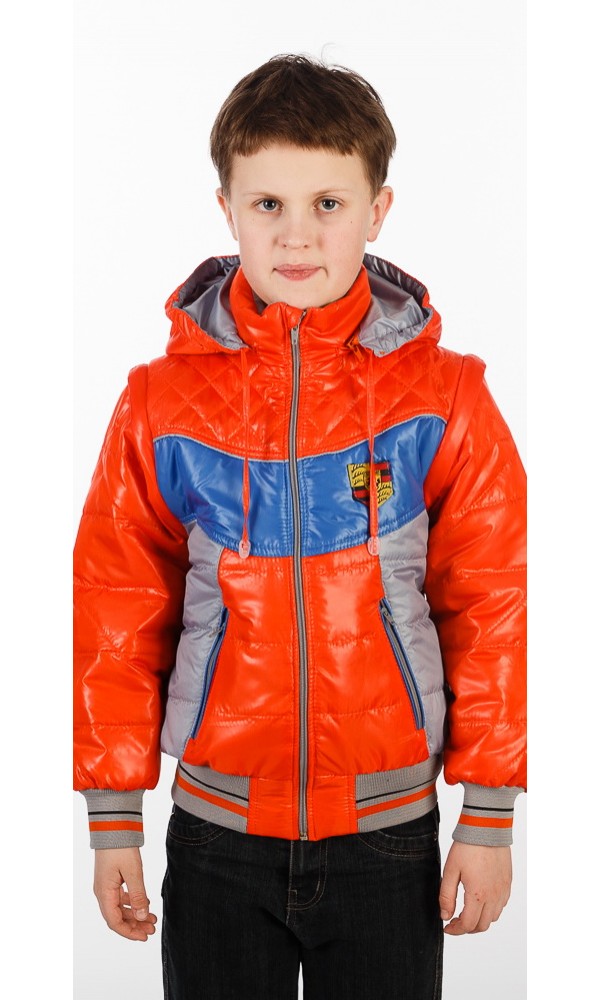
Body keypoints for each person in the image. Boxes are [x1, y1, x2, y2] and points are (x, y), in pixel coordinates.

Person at [74, 53, 526, 999]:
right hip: (216, 835)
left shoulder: (446, 398)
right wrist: (113, 814)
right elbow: (116, 607)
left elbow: (495, 608)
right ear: (227, 209)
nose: (297, 234)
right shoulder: (159, 405)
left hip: (388, 836)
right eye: (268, 203)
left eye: (328, 202)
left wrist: (488, 814)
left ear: (378, 209)